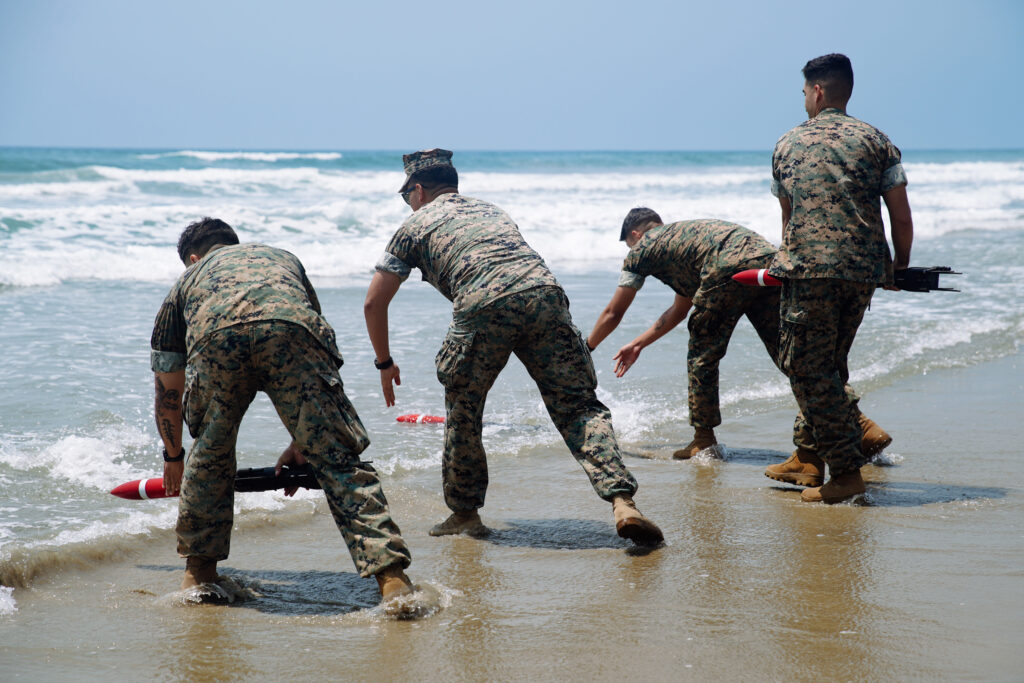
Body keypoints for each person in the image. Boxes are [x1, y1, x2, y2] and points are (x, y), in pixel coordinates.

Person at [363, 149, 663, 546]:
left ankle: (465, 514)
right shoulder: (492, 210)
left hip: (483, 304)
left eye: (406, 196)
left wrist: (384, 362)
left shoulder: (415, 224)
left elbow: (374, 302)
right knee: (578, 406)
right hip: (545, 293)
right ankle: (623, 502)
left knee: (464, 409)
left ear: (417, 190)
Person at [150, 217, 415, 605]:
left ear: (193, 258)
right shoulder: (282, 259)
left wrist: (174, 456)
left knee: (210, 457)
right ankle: (394, 584)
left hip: (216, 340)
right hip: (292, 330)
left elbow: (167, 389)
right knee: (340, 462)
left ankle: (198, 578)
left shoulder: (186, 283)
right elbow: (317, 343)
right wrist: (304, 438)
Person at [587, 208, 892, 463]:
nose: (631, 250)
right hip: (768, 263)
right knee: (792, 354)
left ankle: (703, 440)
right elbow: (678, 310)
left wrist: (587, 346)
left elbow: (614, 312)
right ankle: (859, 425)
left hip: (725, 268)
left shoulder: (643, 247)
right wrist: (639, 343)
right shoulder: (686, 241)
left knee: (702, 355)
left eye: (629, 244)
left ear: (636, 235)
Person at [765, 53, 913, 503]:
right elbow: (901, 217)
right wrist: (898, 268)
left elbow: (788, 222)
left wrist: (784, 264)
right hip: (863, 271)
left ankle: (846, 472)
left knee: (807, 370)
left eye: (805, 92)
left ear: (817, 91)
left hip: (811, 272)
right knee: (830, 365)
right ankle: (808, 459)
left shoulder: (788, 143)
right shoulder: (877, 139)